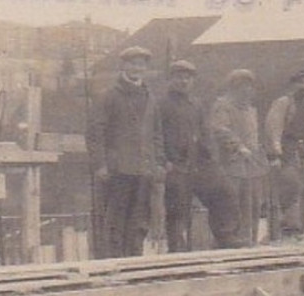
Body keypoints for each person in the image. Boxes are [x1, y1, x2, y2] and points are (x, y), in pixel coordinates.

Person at [86, 45, 162, 258]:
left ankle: (134, 261)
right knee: (115, 220)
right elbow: (95, 132)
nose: (137, 68)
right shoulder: (109, 96)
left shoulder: (150, 98)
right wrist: (100, 164)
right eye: (132, 64)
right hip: (118, 169)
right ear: (123, 66)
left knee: (139, 220)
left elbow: (157, 134)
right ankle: (114, 261)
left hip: (144, 169)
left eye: (141, 64)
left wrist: (159, 162)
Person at [155, 59, 235, 251]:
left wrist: (212, 160)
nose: (183, 81)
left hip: (198, 164)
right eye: (179, 77)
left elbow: (206, 133)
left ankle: (225, 237)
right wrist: (164, 160)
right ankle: (177, 249)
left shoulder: (196, 104)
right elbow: (154, 135)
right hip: (175, 165)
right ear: (170, 79)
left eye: (188, 78)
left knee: (224, 192)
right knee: (177, 208)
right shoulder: (161, 105)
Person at [207, 68, 267, 246]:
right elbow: (220, 130)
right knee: (232, 203)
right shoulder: (222, 106)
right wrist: (238, 146)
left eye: (249, 86)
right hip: (231, 163)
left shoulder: (251, 110)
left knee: (253, 203)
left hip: (251, 164)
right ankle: (229, 242)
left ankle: (249, 240)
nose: (247, 90)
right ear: (233, 87)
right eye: (242, 86)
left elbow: (254, 135)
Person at [264, 67, 304, 239]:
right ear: (293, 84)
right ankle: (288, 228)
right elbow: (273, 127)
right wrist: (276, 151)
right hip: (288, 152)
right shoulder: (284, 103)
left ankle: (299, 231)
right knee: (292, 186)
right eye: (301, 82)